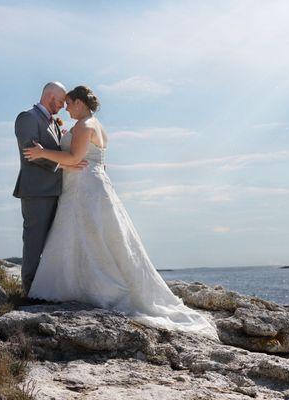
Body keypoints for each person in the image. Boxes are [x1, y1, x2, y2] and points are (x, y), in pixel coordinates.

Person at [22, 86, 219, 341]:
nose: (66, 108)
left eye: (69, 103)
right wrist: (73, 161)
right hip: (90, 182)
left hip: (84, 186)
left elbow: (74, 157)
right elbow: (93, 160)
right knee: (94, 236)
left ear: (80, 103)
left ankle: (96, 288)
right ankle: (80, 285)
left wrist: (41, 153)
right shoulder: (98, 126)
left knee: (89, 236)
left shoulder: (84, 126)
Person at [13, 82, 88, 294]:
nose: (64, 105)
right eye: (62, 100)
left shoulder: (53, 123)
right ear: (50, 95)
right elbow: (30, 152)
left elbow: (53, 150)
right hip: (36, 191)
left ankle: (47, 288)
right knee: (34, 241)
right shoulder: (27, 118)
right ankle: (29, 292)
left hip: (57, 191)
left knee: (53, 243)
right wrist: (64, 164)